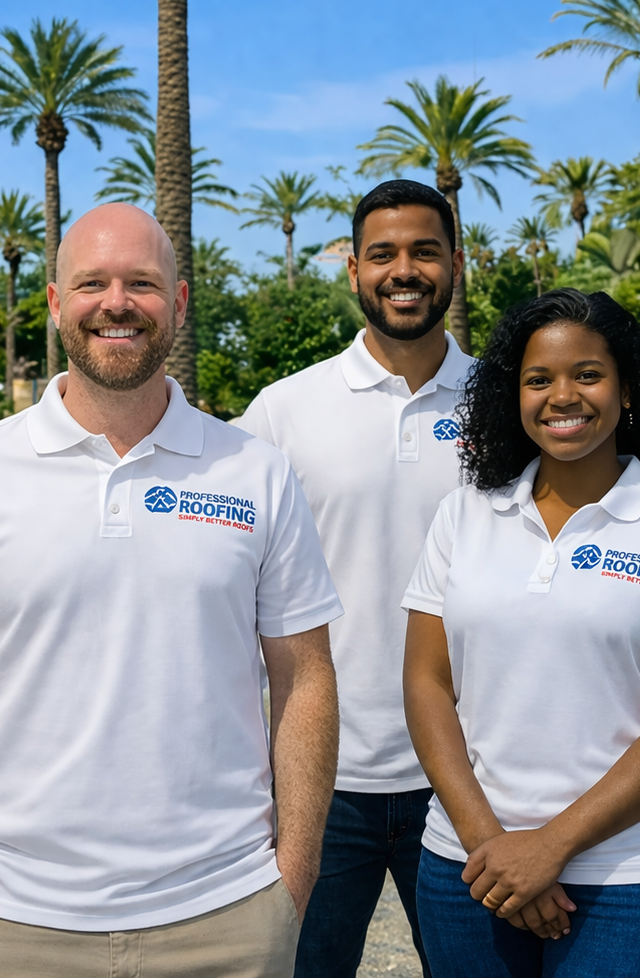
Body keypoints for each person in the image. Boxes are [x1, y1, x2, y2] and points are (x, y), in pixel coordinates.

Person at [0, 202, 342, 978]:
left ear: (181, 303)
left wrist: (289, 885)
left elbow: (306, 679)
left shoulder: (256, 472)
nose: (117, 303)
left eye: (143, 283)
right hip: (3, 921)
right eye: (91, 283)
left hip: (223, 917)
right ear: (57, 303)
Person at [403, 288, 640, 978]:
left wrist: (550, 848)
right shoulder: (464, 515)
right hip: (468, 868)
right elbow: (426, 682)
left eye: (588, 375)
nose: (562, 395)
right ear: (515, 396)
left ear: (628, 390)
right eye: (539, 379)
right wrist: (497, 848)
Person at [237, 179, 470, 978]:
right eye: (383, 254)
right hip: (318, 780)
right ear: (353, 271)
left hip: (474, 781)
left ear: (457, 264)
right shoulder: (282, 412)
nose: (404, 270)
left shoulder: (508, 407)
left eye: (425, 251)